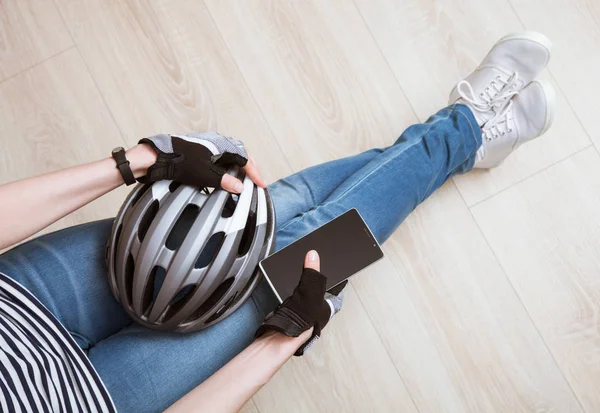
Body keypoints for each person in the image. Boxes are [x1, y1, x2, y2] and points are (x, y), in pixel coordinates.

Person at [0, 32, 554, 412]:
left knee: (272, 209)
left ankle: (463, 139)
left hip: (23, 302)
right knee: (304, 258)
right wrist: (285, 337)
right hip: (106, 401)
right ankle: (463, 131)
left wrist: (141, 161)